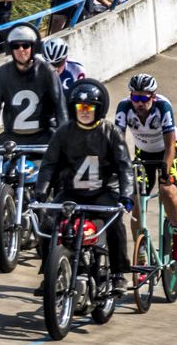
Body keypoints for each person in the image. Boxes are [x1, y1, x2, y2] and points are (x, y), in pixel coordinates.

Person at [35, 79, 132, 295]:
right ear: (73, 108)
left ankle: (118, 274)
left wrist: (126, 196)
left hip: (103, 192)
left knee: (115, 223)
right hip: (72, 192)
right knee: (48, 223)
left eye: (90, 107)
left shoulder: (111, 132)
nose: (85, 111)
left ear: (99, 109)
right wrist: (41, 191)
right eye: (81, 107)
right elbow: (49, 164)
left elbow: (124, 166)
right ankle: (50, 274)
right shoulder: (63, 132)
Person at [0, 24, 66, 232]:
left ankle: (57, 213)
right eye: (16, 46)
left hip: (43, 134)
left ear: (34, 47)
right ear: (10, 49)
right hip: (12, 136)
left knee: (60, 168)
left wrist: (65, 138)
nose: (21, 50)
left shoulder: (47, 72)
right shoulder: (3, 73)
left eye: (26, 45)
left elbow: (60, 107)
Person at [114, 73, 177, 260]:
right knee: (137, 199)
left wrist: (165, 172)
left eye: (144, 98)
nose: (139, 103)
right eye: (135, 97)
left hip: (168, 151)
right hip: (144, 152)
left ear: (153, 97)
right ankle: (141, 253)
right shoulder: (124, 108)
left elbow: (170, 146)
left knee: (167, 191)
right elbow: (117, 143)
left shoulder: (163, 107)